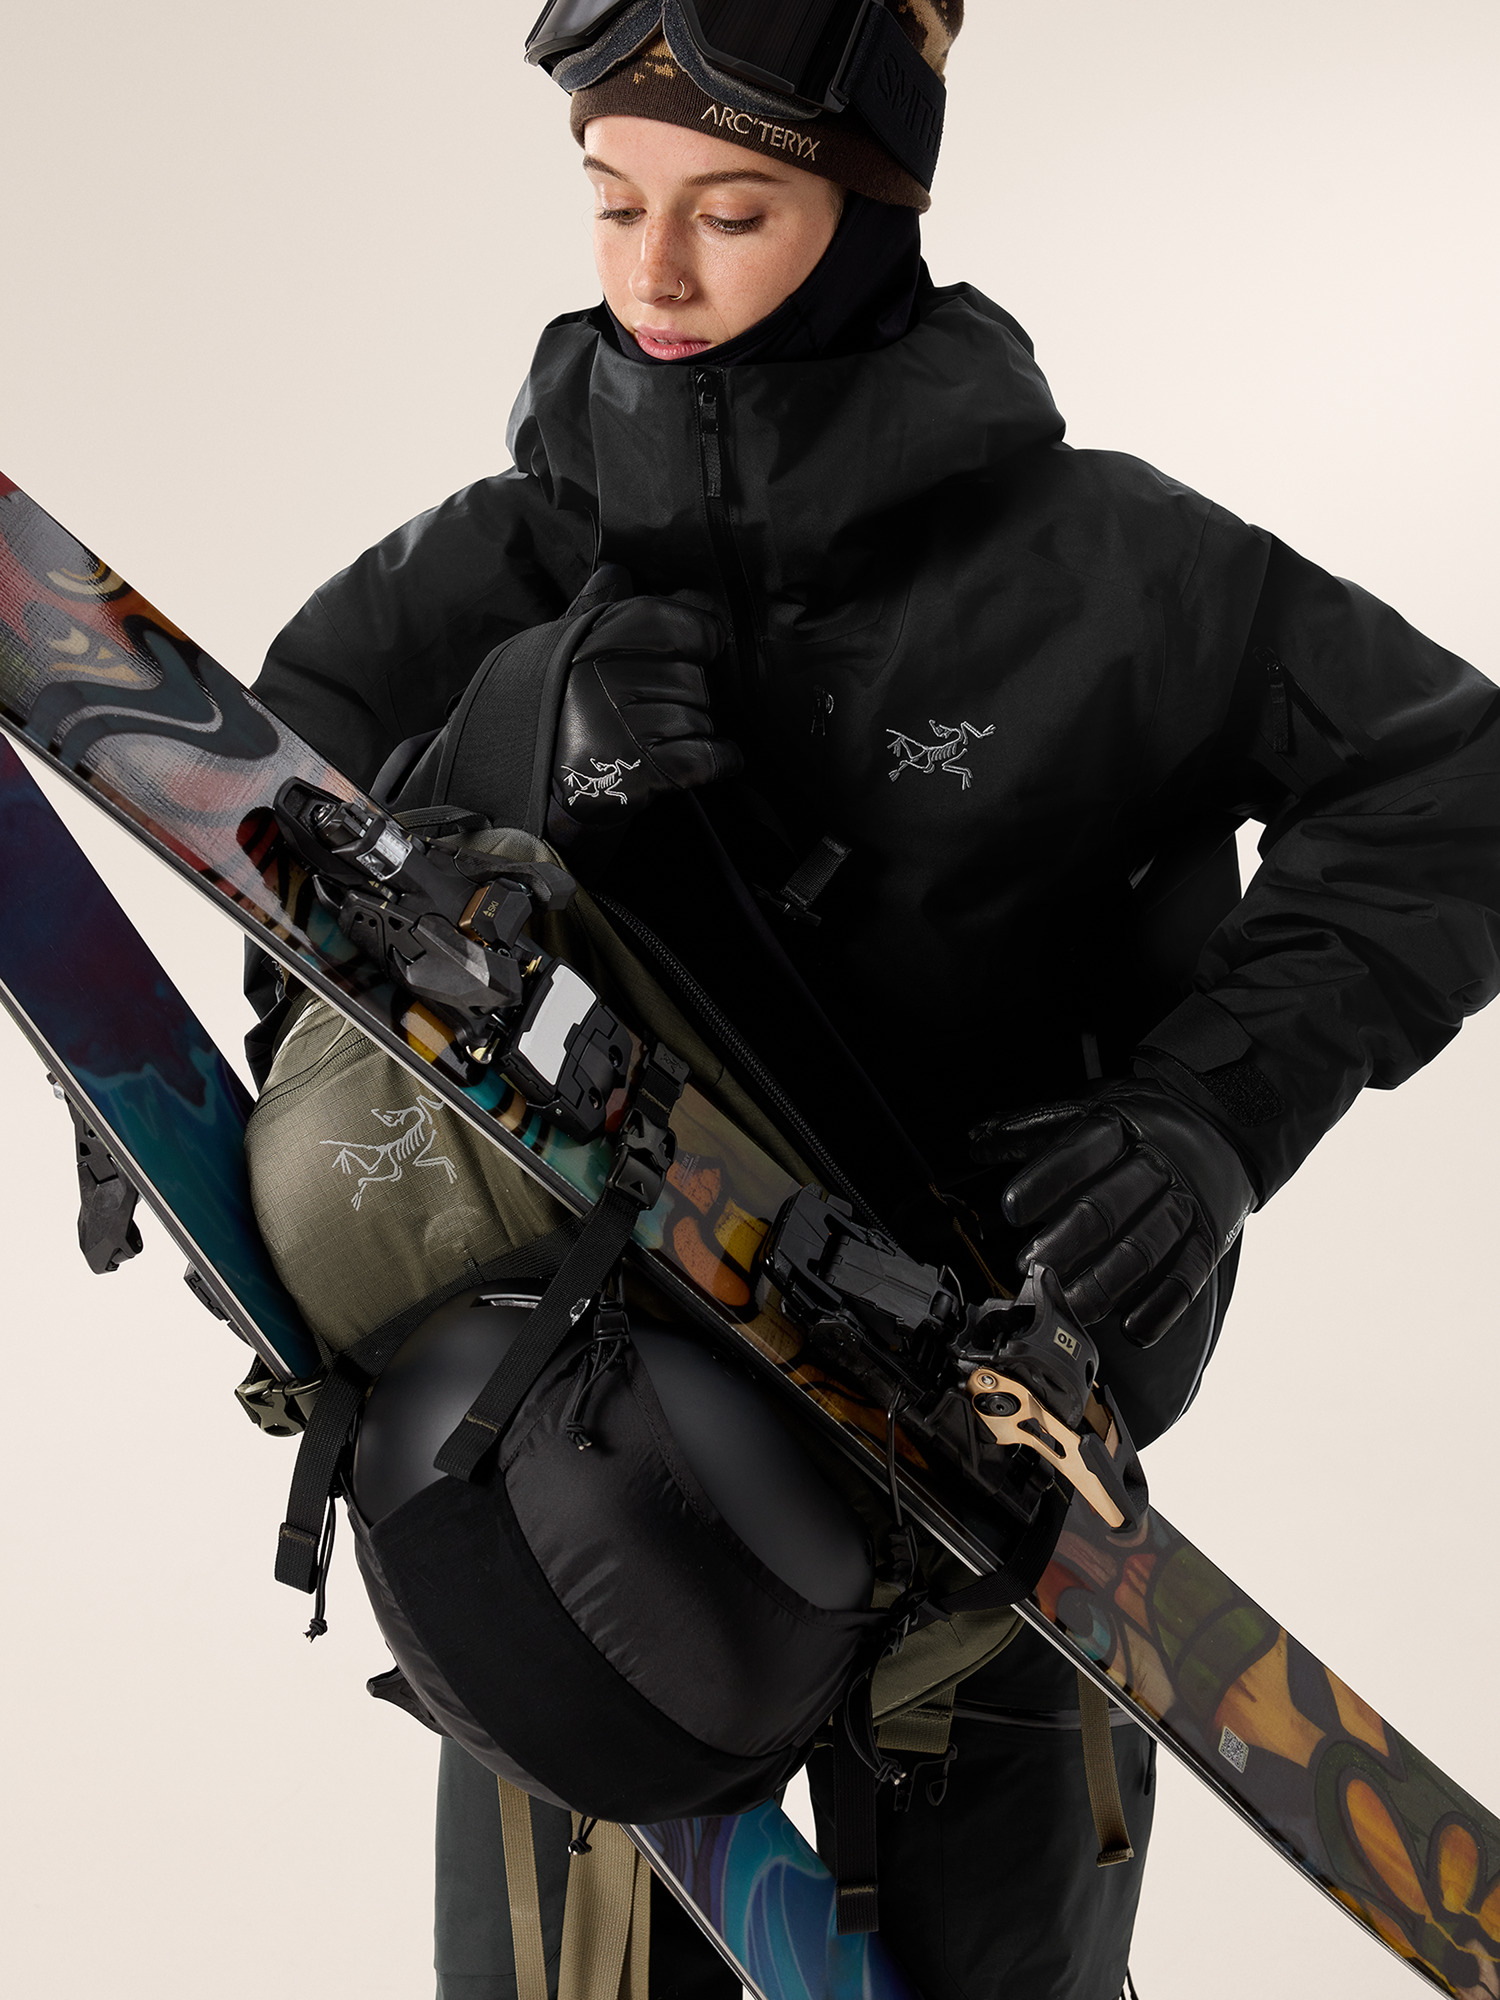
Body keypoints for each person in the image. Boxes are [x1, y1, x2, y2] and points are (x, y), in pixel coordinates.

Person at [248, 6, 1500, 1997]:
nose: (657, 273)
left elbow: (1453, 784)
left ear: (872, 206)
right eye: (614, 202)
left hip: (997, 1517)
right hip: (573, 1504)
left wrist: (1209, 1114)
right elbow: (268, 877)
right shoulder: (489, 579)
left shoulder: (1114, 574)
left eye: (733, 211)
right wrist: (497, 749)